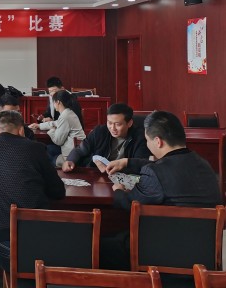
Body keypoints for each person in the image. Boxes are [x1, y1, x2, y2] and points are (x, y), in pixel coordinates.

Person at [100, 111, 221, 270]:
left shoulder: (155, 173)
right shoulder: (204, 164)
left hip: (161, 254)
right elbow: (167, 166)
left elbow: (130, 203)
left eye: (147, 140)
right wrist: (128, 162)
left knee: (96, 245)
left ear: (158, 141)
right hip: (203, 255)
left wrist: (118, 190)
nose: (147, 144)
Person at [0, 110, 65, 272]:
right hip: (39, 243)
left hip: (4, 246)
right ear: (21, 130)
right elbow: (58, 191)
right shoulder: (35, 148)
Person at [62, 103, 150, 172]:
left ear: (129, 123)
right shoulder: (100, 132)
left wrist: (121, 165)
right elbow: (80, 150)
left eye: (118, 124)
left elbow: (140, 164)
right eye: (110, 123)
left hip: (124, 178)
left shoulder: (140, 137)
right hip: (97, 176)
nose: (113, 128)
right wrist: (70, 160)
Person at [29, 90, 85, 167]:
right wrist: (39, 126)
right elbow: (55, 123)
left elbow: (58, 141)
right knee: (47, 148)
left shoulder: (65, 116)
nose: (53, 104)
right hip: (75, 150)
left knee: (44, 155)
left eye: (53, 102)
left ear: (58, 102)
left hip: (71, 157)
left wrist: (51, 130)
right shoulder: (68, 112)